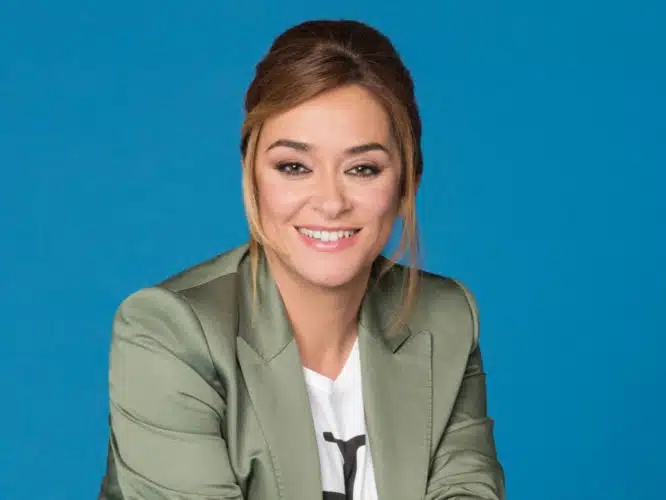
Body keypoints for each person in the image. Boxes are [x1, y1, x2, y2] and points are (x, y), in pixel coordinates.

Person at [98, 19, 505, 500]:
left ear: (407, 183)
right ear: (251, 174)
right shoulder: (169, 331)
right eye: (294, 166)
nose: (330, 202)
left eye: (362, 169)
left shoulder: (444, 317)